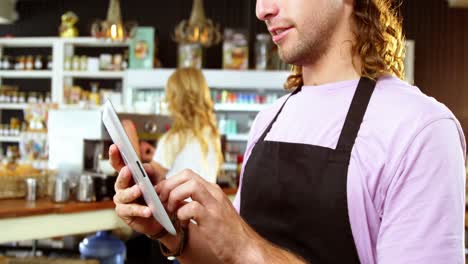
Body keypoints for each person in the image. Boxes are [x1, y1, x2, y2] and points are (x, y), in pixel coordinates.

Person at [110, 0, 466, 263]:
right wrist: (173, 231)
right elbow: (228, 257)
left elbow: (242, 250)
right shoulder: (271, 119)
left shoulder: (420, 130)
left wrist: (246, 247)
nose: (261, 10)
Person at [123, 67, 223, 184]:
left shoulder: (173, 139)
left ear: (176, 99)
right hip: (205, 202)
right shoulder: (212, 134)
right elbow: (188, 162)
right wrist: (156, 156)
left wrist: (130, 139)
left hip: (179, 203)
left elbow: (143, 183)